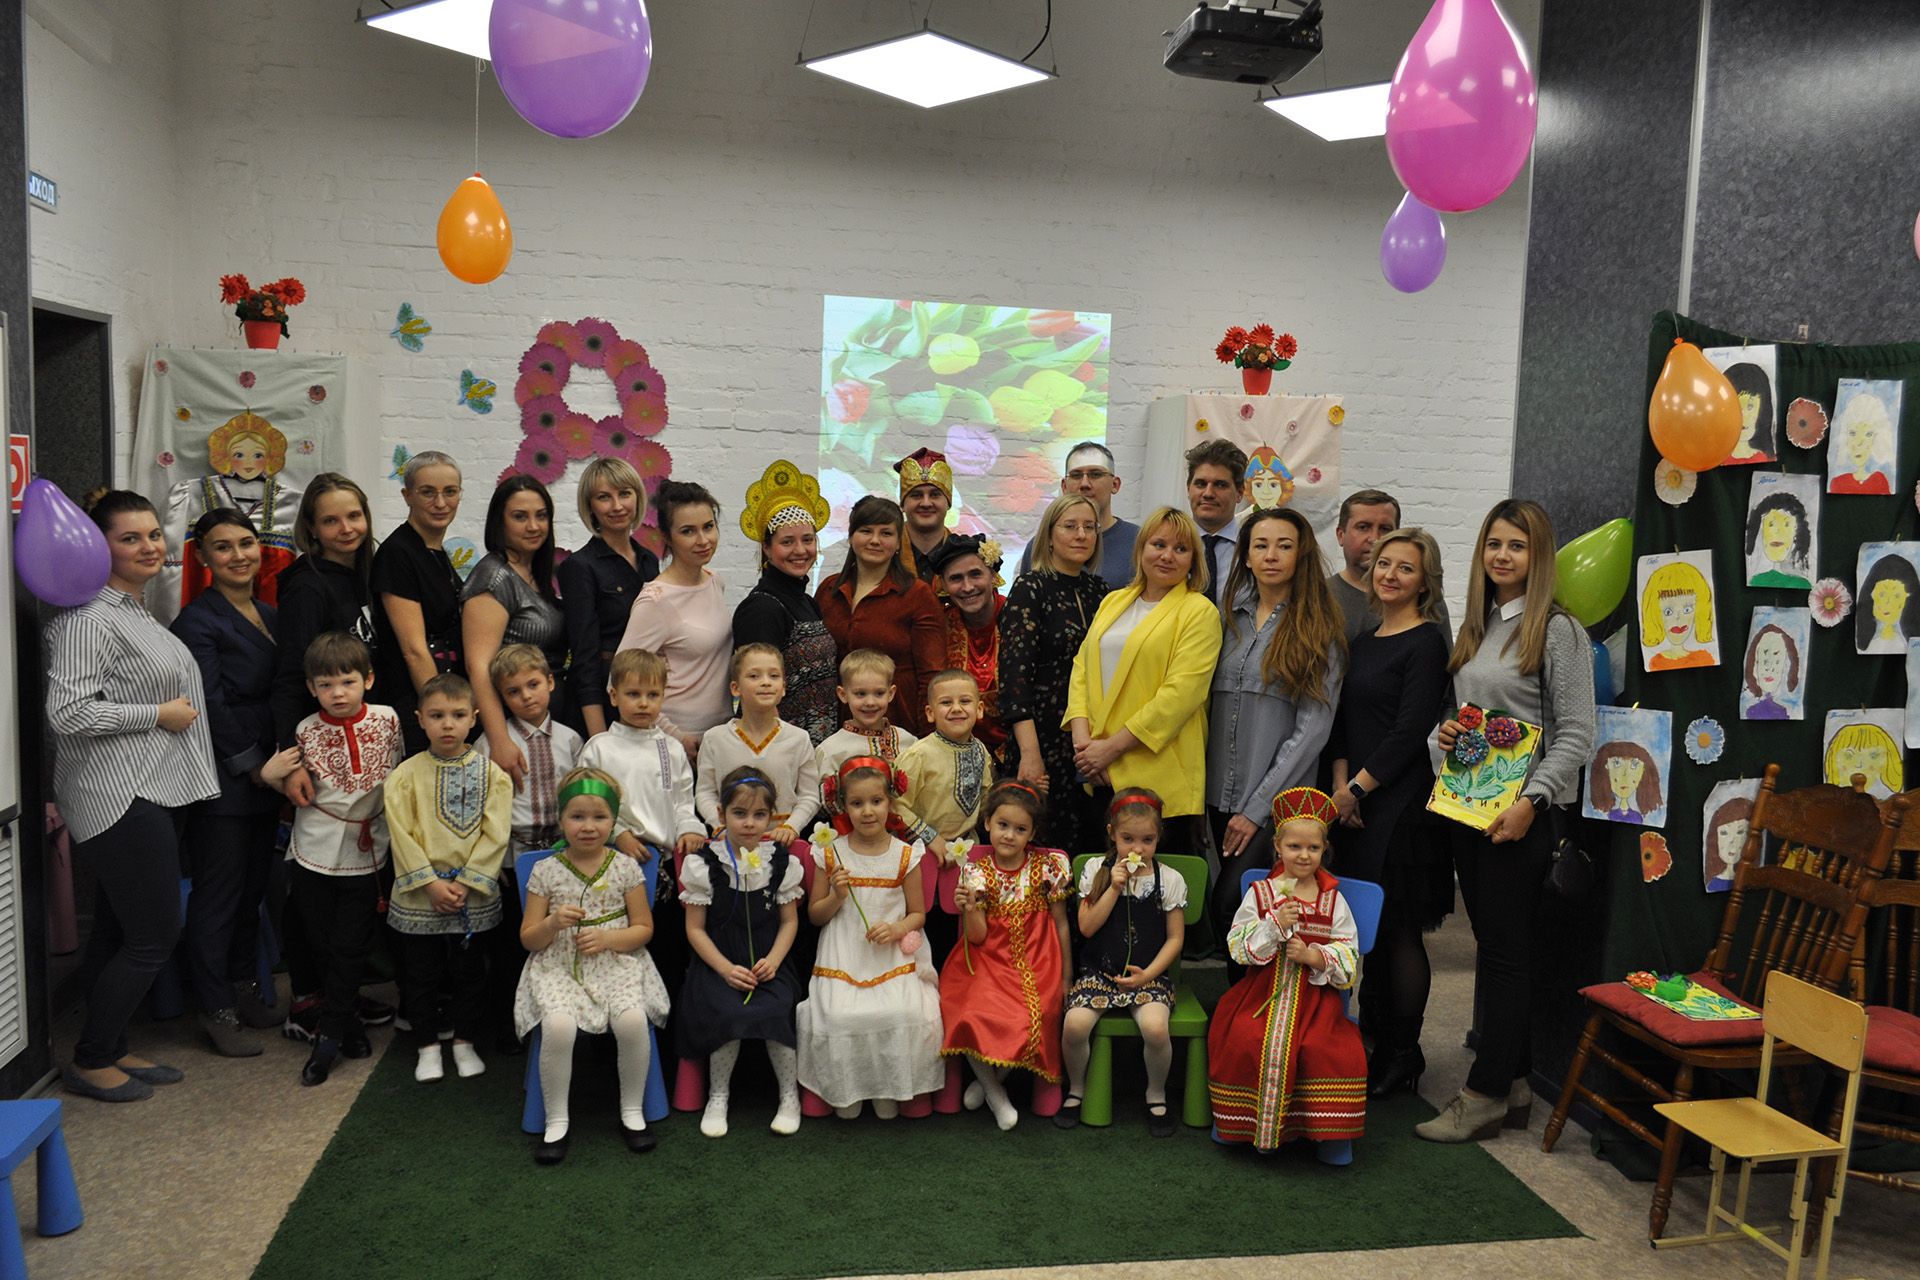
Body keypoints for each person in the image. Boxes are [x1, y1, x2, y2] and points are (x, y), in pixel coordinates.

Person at [1419, 498, 1595, 1143]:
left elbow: (1577, 734)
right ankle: (1516, 1083)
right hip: (1472, 806)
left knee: (1505, 959)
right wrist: (1445, 736)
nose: (1502, 555)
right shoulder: (1483, 624)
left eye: (1516, 545)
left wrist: (1533, 802)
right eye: (1494, 543)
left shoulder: (1557, 630)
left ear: (1538, 555)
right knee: (1499, 950)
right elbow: (1469, 715)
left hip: (1520, 819)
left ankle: (1485, 1094)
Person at [46, 489, 223, 1101]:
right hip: (117, 795)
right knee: (153, 936)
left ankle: (111, 1045)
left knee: (117, 933)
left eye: (152, 533)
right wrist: (156, 714)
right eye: (130, 538)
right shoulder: (86, 620)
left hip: (149, 787)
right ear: (97, 548)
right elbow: (68, 713)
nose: (149, 546)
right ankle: (92, 1058)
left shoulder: (133, 611)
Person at [1326, 527, 1453, 1099]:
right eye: (1384, 564)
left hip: (1400, 807)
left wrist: (1357, 788)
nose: (1391, 575)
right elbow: (1342, 722)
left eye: (1406, 567)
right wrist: (1341, 788)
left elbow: (1410, 731)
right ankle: (1372, 1036)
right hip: (1355, 804)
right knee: (1365, 929)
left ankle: (1404, 1054)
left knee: (1399, 932)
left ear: (1425, 582)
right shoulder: (1365, 638)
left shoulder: (1427, 642)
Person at [262, 632, 405, 1087]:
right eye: (325, 685)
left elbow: (400, 775)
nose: (338, 693)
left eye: (347, 682)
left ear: (368, 680)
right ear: (311, 688)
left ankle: (328, 1039)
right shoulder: (303, 731)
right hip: (315, 849)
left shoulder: (389, 719)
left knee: (351, 944)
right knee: (322, 942)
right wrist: (270, 775)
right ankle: (348, 1026)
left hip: (369, 847)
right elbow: (280, 778)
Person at [170, 509, 287, 1056]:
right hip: (224, 776)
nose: (238, 555)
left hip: (269, 772)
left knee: (251, 893)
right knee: (218, 897)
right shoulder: (197, 621)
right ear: (202, 556)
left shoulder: (269, 613)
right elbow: (208, 704)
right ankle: (214, 1008)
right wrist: (252, 764)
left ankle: (245, 991)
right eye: (223, 547)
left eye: (246, 543)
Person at [515, 767, 670, 1164]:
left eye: (599, 817)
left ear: (614, 820)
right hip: (558, 966)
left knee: (632, 1021)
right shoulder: (545, 871)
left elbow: (644, 929)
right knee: (558, 1026)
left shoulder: (625, 867)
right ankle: (556, 1120)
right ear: (561, 818)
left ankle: (632, 1112)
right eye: (577, 816)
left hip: (617, 962)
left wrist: (608, 939)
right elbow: (529, 938)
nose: (588, 826)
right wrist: (552, 923)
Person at [1207, 787, 1366, 1165]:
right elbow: (1237, 945)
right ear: (1277, 847)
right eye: (1294, 846)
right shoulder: (1262, 893)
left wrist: (1313, 956)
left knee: (1327, 1050)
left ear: (1324, 850)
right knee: (1244, 1037)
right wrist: (1273, 926)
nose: (1303, 855)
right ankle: (1241, 1124)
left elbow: (1348, 953)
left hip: (1316, 1003)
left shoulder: (1333, 899)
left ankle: (1327, 1134)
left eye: (1313, 848)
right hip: (1261, 994)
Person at [1206, 508, 1345, 940]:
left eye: (1284, 546)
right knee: (1244, 919)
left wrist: (1256, 809)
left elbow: (1313, 729)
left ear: (1301, 555)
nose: (1271, 555)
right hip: (1218, 795)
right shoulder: (1227, 620)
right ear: (1246, 557)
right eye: (1261, 546)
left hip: (1279, 805)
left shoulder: (1318, 628)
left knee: (1232, 903)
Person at [1065, 507, 1224, 853]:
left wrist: (1110, 749)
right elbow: (1082, 669)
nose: (1167, 556)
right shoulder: (1113, 601)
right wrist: (1084, 746)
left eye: (1180, 549)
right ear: (1141, 549)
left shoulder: (1199, 612)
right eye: (1159, 544)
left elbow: (1179, 697)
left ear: (1194, 561)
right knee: (1100, 880)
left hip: (1160, 779)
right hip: (1098, 772)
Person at [797, 756, 944, 1118]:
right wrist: (837, 895)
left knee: (901, 1010)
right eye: (857, 803)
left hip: (890, 954)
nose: (867, 811)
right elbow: (815, 915)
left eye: (876, 801)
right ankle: (847, 1092)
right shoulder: (830, 852)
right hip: (843, 952)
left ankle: (890, 1089)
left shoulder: (905, 854)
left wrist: (897, 929)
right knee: (838, 1014)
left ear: (890, 802)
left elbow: (918, 913)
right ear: (843, 806)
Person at [382, 673, 512, 1083]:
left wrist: (468, 881)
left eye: (457, 715)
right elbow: (401, 835)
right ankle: (426, 1046)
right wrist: (431, 884)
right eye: (437, 716)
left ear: (474, 717)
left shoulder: (494, 775)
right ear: (420, 719)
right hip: (420, 894)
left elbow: (496, 833)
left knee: (470, 974)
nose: (448, 724)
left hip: (471, 896)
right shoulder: (404, 775)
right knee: (420, 976)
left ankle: (464, 1041)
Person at [680, 768, 806, 1138]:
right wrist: (724, 969)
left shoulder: (780, 862)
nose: (749, 823)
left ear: (772, 817)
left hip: (768, 961)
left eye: (759, 815)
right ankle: (718, 1095)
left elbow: (789, 922)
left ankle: (789, 1095)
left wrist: (775, 960)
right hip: (719, 963)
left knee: (777, 1008)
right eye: (739, 813)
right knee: (728, 1011)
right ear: (721, 814)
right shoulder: (704, 864)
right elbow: (695, 929)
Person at [939, 781, 1072, 1131]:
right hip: (988, 959)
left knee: (1035, 1015)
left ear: (1033, 833)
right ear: (987, 823)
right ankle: (995, 1093)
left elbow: (1060, 923)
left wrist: (1066, 976)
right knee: (969, 1012)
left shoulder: (1049, 867)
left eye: (1020, 829)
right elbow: (977, 936)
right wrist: (969, 908)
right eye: (1002, 825)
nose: (1010, 835)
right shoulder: (975, 872)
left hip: (1039, 958)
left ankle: (988, 1082)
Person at [1057, 789, 1186, 1136]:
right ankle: (1076, 1088)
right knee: (1074, 1025)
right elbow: (1086, 927)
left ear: (1158, 837)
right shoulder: (1095, 870)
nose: (1137, 849)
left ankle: (1155, 1094)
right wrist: (1114, 888)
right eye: (1128, 839)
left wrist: (1149, 975)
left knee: (1155, 1029)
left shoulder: (1168, 879)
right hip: (1099, 974)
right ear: (1112, 833)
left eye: (1147, 840)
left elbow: (1175, 939)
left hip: (1149, 978)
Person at [480, 644, 582, 1051]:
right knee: (510, 944)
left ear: (551, 682)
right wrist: (495, 861)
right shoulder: (492, 743)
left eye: (533, 684)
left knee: (557, 938)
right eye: (513, 691)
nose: (526, 696)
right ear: (501, 697)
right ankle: (510, 1027)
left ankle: (564, 1018)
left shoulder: (571, 740)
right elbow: (484, 808)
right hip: (514, 855)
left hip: (559, 856)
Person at [1000, 494, 1112, 854]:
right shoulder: (1030, 588)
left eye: (1089, 527)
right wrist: (1030, 753)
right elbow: (1014, 680)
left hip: (1090, 741)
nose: (1081, 535)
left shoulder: (1102, 592)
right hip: (1041, 738)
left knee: (1089, 844)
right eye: (1070, 526)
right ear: (1049, 535)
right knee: (1043, 845)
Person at [270, 473, 378, 803]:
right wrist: (292, 763)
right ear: (312, 528)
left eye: (354, 516)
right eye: (331, 521)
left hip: (368, 734)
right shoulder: (306, 588)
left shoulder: (370, 572)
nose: (346, 528)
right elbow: (290, 675)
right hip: (323, 747)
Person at [465, 475, 572, 790]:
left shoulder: (534, 571)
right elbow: (478, 666)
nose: (533, 526)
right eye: (520, 516)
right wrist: (499, 739)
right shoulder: (494, 577)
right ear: (500, 523)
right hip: (512, 728)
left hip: (545, 723)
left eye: (541, 515)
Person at [617, 480, 733, 757]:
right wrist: (675, 735)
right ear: (667, 537)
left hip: (720, 735)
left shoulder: (715, 581)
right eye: (688, 531)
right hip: (675, 743)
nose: (703, 540)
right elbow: (619, 679)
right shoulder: (656, 600)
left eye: (708, 527)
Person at [816, 495, 945, 735]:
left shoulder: (917, 595)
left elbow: (931, 675)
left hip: (899, 723)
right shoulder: (828, 590)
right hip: (837, 722)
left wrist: (927, 737)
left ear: (898, 542)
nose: (875, 540)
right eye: (866, 531)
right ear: (851, 536)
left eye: (886, 533)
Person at [732, 459, 838, 744]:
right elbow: (757, 692)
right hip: (779, 747)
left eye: (807, 540)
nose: (800, 550)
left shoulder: (808, 602)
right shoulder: (762, 608)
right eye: (787, 542)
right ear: (767, 548)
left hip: (816, 746)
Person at [556, 457, 660, 738]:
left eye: (624, 494)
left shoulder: (649, 560)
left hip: (645, 696)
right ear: (590, 506)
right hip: (601, 702)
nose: (617, 506)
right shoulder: (579, 567)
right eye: (604, 497)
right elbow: (584, 657)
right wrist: (599, 738)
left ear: (637, 497)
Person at [896, 669, 994, 966]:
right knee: (931, 930)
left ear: (979, 709)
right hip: (924, 856)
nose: (956, 708)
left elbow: (986, 801)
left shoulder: (981, 751)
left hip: (966, 856)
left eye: (965, 701)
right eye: (946, 702)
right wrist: (931, 837)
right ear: (930, 713)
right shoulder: (919, 754)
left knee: (964, 928)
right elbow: (894, 805)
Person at [371, 451, 466, 755]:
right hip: (419, 710)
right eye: (428, 492)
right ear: (407, 495)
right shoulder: (398, 553)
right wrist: (441, 716)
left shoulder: (433, 551)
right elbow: (413, 650)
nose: (441, 503)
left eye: (450, 492)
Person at [694, 643, 822, 841]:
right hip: (731, 840)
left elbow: (810, 796)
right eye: (754, 676)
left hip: (780, 841)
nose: (766, 682)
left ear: (783, 688)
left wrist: (791, 827)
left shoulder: (798, 739)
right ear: (735, 688)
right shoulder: (715, 739)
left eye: (774, 676)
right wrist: (718, 825)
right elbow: (705, 792)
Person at [1328, 489, 1452, 645]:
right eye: (1363, 527)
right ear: (1341, 535)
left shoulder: (1426, 600)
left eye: (1385, 529)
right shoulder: (1319, 596)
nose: (1375, 539)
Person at [1014, 443, 1140, 590]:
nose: (1085, 484)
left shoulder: (1140, 541)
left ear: (1115, 485)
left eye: (1095, 474)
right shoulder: (1042, 544)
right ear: (1064, 486)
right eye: (1076, 475)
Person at [926, 534, 1007, 756]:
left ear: (993, 575)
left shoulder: (1018, 618)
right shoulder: (938, 626)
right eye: (956, 578)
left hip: (1017, 752)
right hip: (953, 752)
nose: (968, 587)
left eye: (975, 574)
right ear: (944, 585)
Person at [813, 650, 920, 778]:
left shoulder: (908, 741)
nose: (870, 702)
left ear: (891, 694)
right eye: (861, 694)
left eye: (879, 693)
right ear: (843, 694)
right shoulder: (831, 751)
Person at [1185, 439, 1247, 604]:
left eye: (1220, 485)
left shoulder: (1253, 549)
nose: (1208, 493)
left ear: (1239, 493)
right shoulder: (1166, 549)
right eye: (1201, 484)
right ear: (1188, 489)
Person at [895, 446, 956, 580]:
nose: (926, 503)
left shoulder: (966, 557)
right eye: (916, 495)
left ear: (948, 503)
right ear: (903, 504)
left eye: (934, 495)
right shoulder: (884, 553)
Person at [1590, 741, 1662, 822]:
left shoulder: (1638, 817)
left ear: (1643, 771)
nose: (1624, 775)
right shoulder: (1598, 814)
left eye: (1634, 765)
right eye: (1617, 763)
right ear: (1605, 767)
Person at [1741, 624, 1800, 720]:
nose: (1769, 668)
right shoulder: (1750, 712)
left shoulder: (1788, 711)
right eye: (1764, 660)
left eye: (1777, 661)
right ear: (1755, 661)